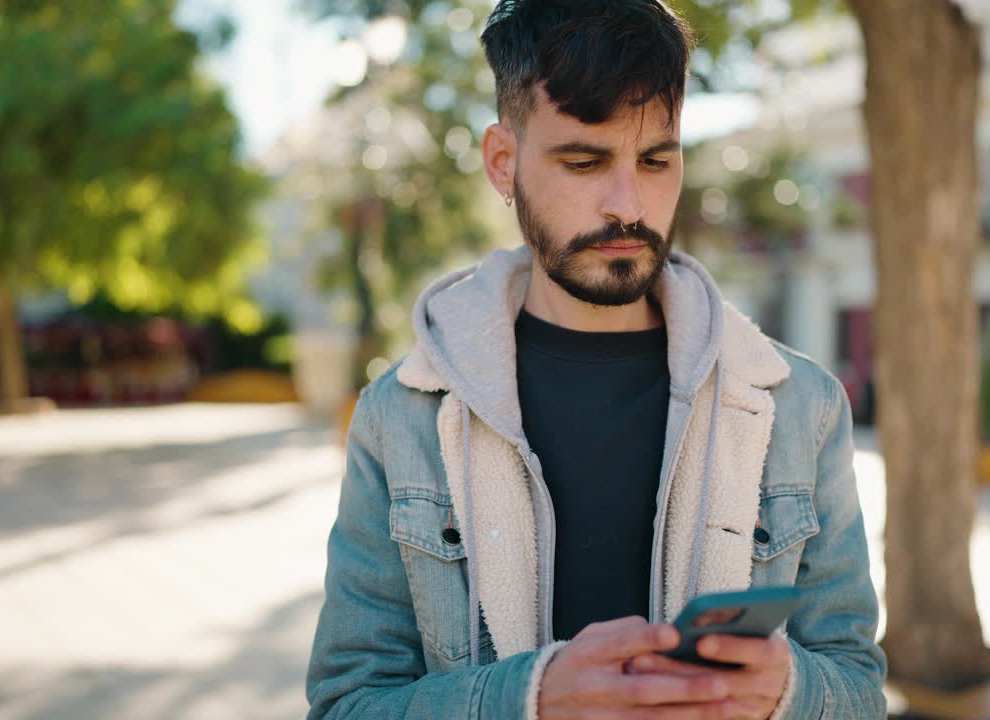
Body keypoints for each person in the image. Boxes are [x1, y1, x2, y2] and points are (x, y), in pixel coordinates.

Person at [306, 1, 885, 718]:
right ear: (502, 162)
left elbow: (859, 689)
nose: (627, 203)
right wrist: (530, 700)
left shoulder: (802, 405)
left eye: (655, 160)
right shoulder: (405, 416)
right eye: (584, 160)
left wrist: (788, 693)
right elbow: (345, 705)